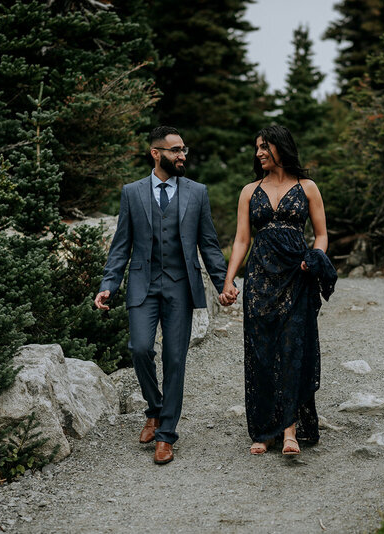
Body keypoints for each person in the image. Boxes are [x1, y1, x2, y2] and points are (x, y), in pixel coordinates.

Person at [95, 126, 230, 465]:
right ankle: (154, 409)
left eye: (184, 149)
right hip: (144, 283)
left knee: (174, 359)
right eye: (175, 150)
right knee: (139, 349)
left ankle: (166, 434)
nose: (182, 155)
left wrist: (223, 282)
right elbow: (120, 245)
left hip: (180, 286)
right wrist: (107, 284)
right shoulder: (132, 192)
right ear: (156, 153)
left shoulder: (197, 193)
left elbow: (209, 243)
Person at [220, 125, 335, 456]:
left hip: (296, 276)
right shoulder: (249, 190)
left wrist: (314, 258)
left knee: (291, 350)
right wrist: (231, 280)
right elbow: (242, 239)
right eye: (257, 148)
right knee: (261, 351)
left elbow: (322, 234)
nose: (258, 153)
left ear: (280, 148)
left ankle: (289, 431)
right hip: (259, 278)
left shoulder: (307, 187)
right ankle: (263, 430)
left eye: (264, 147)